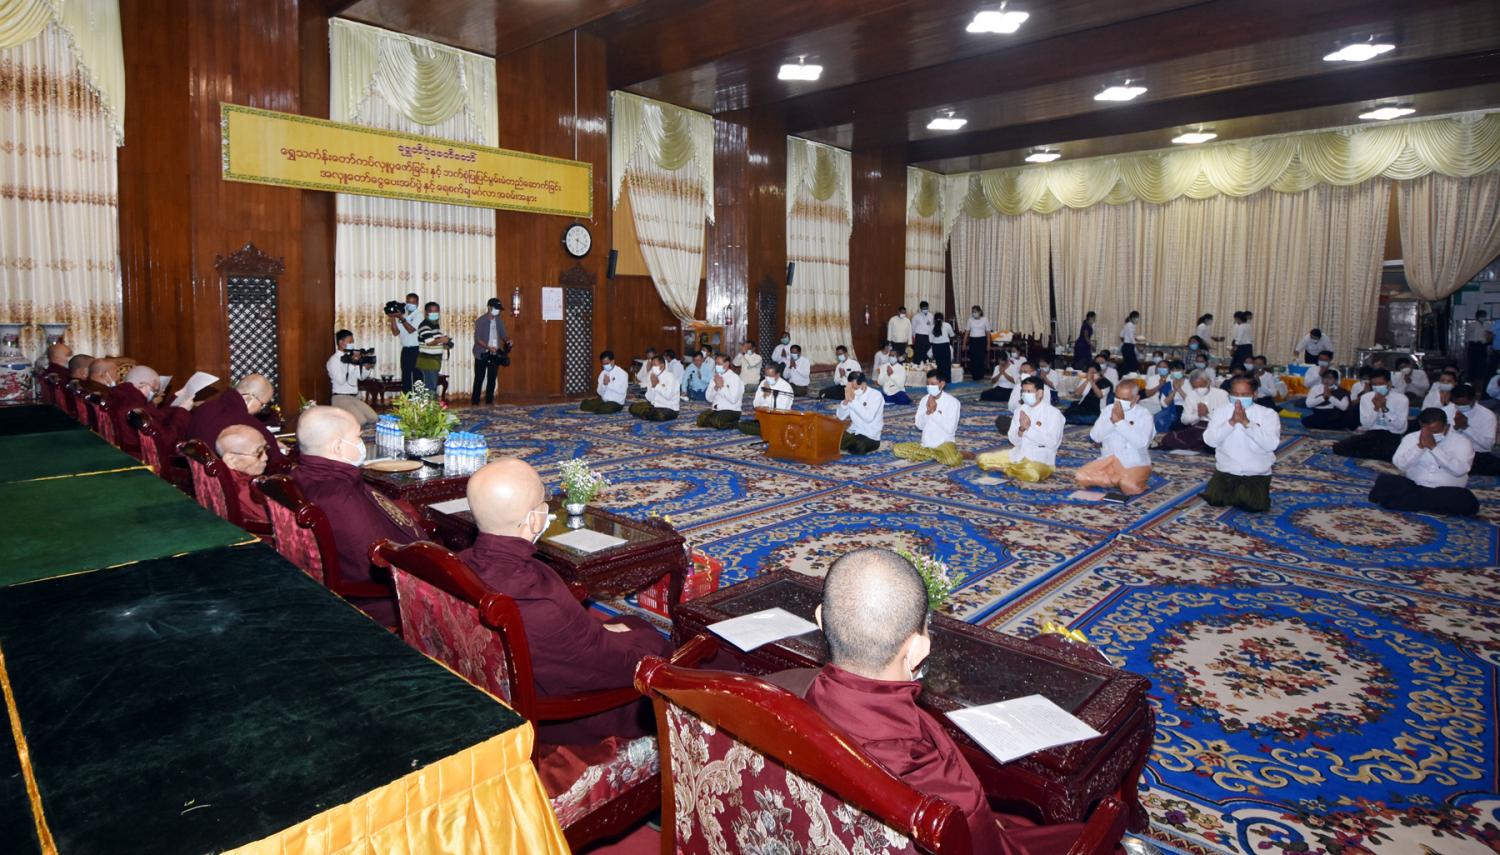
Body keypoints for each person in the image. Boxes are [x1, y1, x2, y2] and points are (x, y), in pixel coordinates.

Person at [768, 548, 1091, 855]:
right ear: (918, 649)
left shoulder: (771, 693)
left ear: (821, 619)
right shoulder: (943, 796)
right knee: (1080, 835)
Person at [460, 458, 678, 743]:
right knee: (655, 642)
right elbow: (611, 666)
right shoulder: (540, 601)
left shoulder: (458, 564)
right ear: (534, 520)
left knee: (625, 622)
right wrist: (651, 643)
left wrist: (598, 630)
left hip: (489, 688)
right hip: (562, 716)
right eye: (544, 504)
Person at [291, 407, 422, 625]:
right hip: (378, 597)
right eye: (358, 437)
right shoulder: (339, 497)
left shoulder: (303, 474)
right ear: (337, 447)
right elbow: (371, 565)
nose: (362, 443)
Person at [1369, 408, 1479, 516]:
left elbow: (1460, 470)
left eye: (1435, 431)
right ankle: (1429, 506)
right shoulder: (1411, 438)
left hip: (1445, 492)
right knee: (1385, 480)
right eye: (1427, 430)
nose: (1431, 434)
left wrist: (1434, 448)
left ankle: (1408, 503)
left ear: (1446, 426)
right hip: (1415, 488)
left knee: (1465, 499)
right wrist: (1419, 447)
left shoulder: (1462, 442)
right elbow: (1400, 465)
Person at [1202, 378, 1281, 512]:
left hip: (1255, 473)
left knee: (1253, 507)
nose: (1239, 399)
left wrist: (1247, 423)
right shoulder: (1220, 412)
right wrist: (1231, 423)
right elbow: (1210, 441)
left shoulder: (1268, 414)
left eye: (1244, 395)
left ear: (1254, 394)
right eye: (1235, 394)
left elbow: (1271, 445)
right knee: (1215, 501)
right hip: (1227, 470)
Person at [186, 374, 288, 471]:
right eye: (263, 405)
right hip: (225, 480)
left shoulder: (204, 407)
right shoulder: (249, 424)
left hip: (192, 473)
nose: (260, 410)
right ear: (249, 399)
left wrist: (269, 442)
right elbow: (277, 464)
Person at [977, 375, 1062, 482]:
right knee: (982, 459)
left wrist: (1029, 429)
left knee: (1032, 475)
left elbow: (1052, 442)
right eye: (1023, 391)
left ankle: (1006, 469)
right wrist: (1021, 429)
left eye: (1029, 391)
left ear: (1040, 393)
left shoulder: (1053, 414)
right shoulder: (1020, 410)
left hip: (1041, 459)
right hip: (1019, 454)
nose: (1025, 394)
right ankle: (1014, 469)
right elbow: (1013, 440)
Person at [1076, 379, 1153, 496]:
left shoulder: (1144, 414)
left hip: (1134, 462)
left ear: (1136, 398)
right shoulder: (1108, 410)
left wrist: (1120, 422)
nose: (1120, 402)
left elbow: (1142, 443)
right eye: (1117, 397)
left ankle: (1121, 480)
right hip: (1109, 460)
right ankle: (1116, 479)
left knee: (1129, 487)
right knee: (1081, 477)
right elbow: (1095, 436)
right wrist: (1112, 421)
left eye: (1125, 399)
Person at [108, 365, 193, 456]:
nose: (154, 395)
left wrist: (175, 399)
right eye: (154, 390)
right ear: (143, 386)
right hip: (141, 459)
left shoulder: (122, 397)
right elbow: (167, 443)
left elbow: (157, 416)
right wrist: (183, 412)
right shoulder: (137, 408)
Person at [1331, 370, 1408, 461]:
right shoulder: (1366, 398)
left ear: (1389, 384)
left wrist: (1384, 408)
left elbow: (1400, 427)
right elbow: (1366, 425)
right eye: (1374, 384)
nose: (1377, 387)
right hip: (1372, 434)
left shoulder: (1401, 399)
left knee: (1390, 454)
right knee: (1339, 447)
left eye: (1380, 384)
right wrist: (1376, 408)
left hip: (1391, 435)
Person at [893, 370, 961, 466]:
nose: (929, 387)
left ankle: (938, 455)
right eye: (928, 384)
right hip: (926, 445)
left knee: (952, 460)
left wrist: (934, 412)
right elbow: (919, 426)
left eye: (933, 384)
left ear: (942, 384)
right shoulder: (924, 400)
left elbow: (950, 429)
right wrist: (928, 412)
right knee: (897, 449)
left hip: (944, 444)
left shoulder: (953, 402)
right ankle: (937, 455)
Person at [1158, 370, 1230, 452]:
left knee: (1212, 442)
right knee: (1169, 439)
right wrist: (1198, 415)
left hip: (1215, 429)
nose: (1199, 389)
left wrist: (1207, 414)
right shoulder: (1191, 396)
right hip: (1197, 429)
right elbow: (1184, 420)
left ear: (1208, 382)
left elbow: (1226, 418)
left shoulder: (1222, 394)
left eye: (1202, 385)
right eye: (1195, 387)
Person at [215, 424, 269, 524]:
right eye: (258, 453)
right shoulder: (244, 489)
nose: (265, 458)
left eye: (266, 449)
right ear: (231, 460)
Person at [327, 329, 378, 427]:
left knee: (374, 418)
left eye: (352, 342)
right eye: (350, 342)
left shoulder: (350, 357)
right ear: (341, 342)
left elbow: (361, 377)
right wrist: (352, 363)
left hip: (355, 397)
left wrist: (366, 368)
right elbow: (340, 381)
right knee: (361, 421)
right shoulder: (334, 360)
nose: (352, 344)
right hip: (340, 398)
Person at [1451, 384, 1499, 476]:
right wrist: (1455, 429)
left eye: (1463, 404)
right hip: (1452, 452)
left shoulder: (1487, 415)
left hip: (1476, 454)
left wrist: (1466, 428)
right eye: (1457, 404)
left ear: (1473, 400)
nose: (1460, 406)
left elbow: (1487, 445)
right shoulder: (1446, 411)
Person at [471, 297, 510, 406]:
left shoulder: (499, 321)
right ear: (489, 307)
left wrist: (508, 340)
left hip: (494, 353)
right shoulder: (480, 321)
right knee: (479, 378)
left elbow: (503, 335)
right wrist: (488, 347)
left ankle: (489, 402)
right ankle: (475, 402)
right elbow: (477, 339)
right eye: (496, 308)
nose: (498, 311)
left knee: (492, 378)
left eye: (499, 309)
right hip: (481, 353)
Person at [739, 362, 795, 437]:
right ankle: (769, 431)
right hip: (763, 417)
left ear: (778, 375)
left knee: (761, 428)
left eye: (770, 376)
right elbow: (755, 404)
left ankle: (773, 432)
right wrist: (764, 397)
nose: (767, 378)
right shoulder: (763, 383)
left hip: (779, 419)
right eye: (766, 375)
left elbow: (781, 409)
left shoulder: (786, 387)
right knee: (742, 424)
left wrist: (768, 395)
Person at [834, 371, 884, 454]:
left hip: (870, 436)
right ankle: (846, 445)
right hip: (853, 431)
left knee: (859, 446)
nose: (853, 390)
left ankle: (848, 446)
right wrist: (846, 401)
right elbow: (840, 417)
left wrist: (852, 400)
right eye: (851, 387)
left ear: (863, 384)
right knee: (832, 438)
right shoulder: (851, 394)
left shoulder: (876, 395)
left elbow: (868, 418)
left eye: (855, 388)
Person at [698, 353, 745, 430]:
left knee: (718, 422)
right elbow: (708, 398)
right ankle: (714, 421)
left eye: (719, 364)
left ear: (726, 364)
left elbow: (733, 400)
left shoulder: (735, 378)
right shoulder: (715, 377)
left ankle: (736, 423)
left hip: (731, 410)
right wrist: (716, 388)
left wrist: (721, 387)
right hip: (716, 409)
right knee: (700, 420)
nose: (717, 366)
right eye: (716, 364)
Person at [628, 355, 680, 421]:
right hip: (655, 406)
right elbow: (649, 398)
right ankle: (647, 415)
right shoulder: (653, 376)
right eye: (652, 365)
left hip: (669, 409)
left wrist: (656, 385)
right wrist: (652, 386)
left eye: (655, 365)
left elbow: (668, 396)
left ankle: (647, 415)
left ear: (662, 366)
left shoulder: (670, 377)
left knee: (658, 415)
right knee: (633, 407)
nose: (653, 367)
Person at [388, 292, 421, 393]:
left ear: (417, 303)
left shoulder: (419, 316)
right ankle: (407, 397)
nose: (410, 305)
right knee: (406, 375)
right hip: (406, 350)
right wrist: (392, 317)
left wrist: (401, 318)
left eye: (413, 303)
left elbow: (411, 330)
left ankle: (418, 398)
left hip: (416, 350)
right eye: (408, 302)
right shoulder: (403, 315)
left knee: (416, 376)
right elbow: (395, 332)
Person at [415, 301, 450, 394]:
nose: (434, 313)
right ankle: (430, 403)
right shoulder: (425, 325)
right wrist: (441, 340)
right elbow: (429, 342)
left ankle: (431, 403)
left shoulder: (434, 325)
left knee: (431, 387)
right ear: (426, 312)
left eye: (436, 311)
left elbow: (435, 341)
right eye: (431, 311)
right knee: (430, 388)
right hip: (428, 362)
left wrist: (445, 342)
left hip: (434, 362)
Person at [963, 306, 991, 380]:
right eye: (973, 312)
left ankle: (980, 375)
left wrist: (988, 344)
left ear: (979, 312)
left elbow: (988, 332)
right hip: (973, 340)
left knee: (980, 358)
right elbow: (967, 332)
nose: (974, 313)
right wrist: (964, 343)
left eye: (975, 311)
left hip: (982, 340)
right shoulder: (970, 320)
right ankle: (974, 375)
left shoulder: (985, 319)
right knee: (973, 358)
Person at [1468, 311, 1490, 383]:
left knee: (1482, 363)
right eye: (1481, 315)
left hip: (1483, 345)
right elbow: (1469, 335)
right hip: (1474, 345)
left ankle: (1480, 379)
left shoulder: (1487, 325)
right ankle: (1471, 379)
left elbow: (1489, 335)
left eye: (1484, 315)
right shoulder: (1472, 324)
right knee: (1472, 363)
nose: (1483, 317)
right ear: (1477, 316)